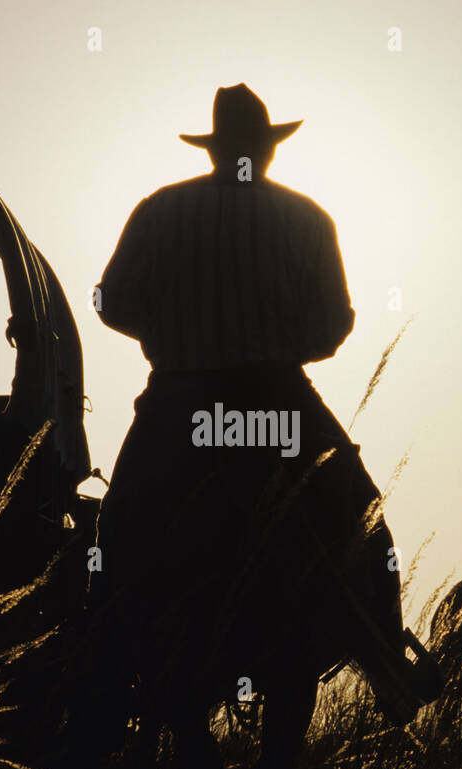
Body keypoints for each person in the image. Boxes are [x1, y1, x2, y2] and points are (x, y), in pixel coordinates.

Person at [89, 84, 418, 722]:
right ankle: (386, 663)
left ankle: (98, 663)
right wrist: (277, 340)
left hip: (177, 408)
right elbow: (332, 326)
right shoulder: (306, 216)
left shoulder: (159, 209)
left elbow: (110, 302)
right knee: (367, 520)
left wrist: (166, 332)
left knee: (119, 526)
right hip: (276, 404)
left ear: (213, 150)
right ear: (267, 151)